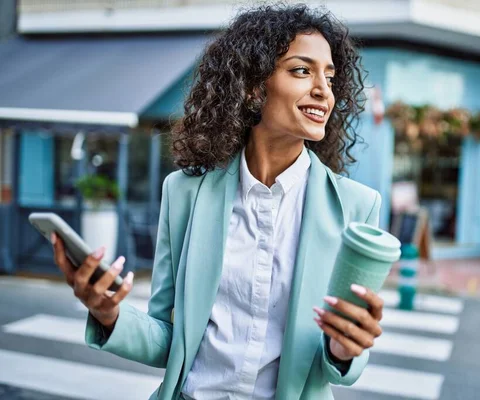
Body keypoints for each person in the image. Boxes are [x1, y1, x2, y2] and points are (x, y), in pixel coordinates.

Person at [51, 4, 384, 399]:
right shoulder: (184, 193)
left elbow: (342, 366)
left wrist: (345, 349)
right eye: (301, 70)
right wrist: (108, 314)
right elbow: (169, 340)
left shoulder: (356, 207)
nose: (323, 90)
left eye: (329, 77)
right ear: (253, 87)